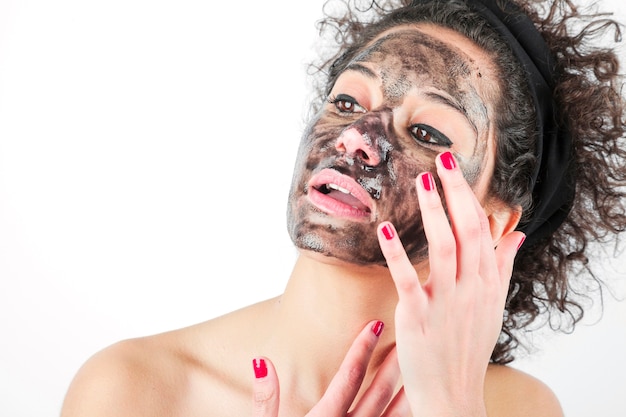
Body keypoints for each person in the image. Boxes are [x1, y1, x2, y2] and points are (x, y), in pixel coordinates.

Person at [60, 0, 626, 415]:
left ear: (495, 221)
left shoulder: (516, 410)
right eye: (348, 101)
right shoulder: (133, 391)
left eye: (427, 131)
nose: (356, 137)